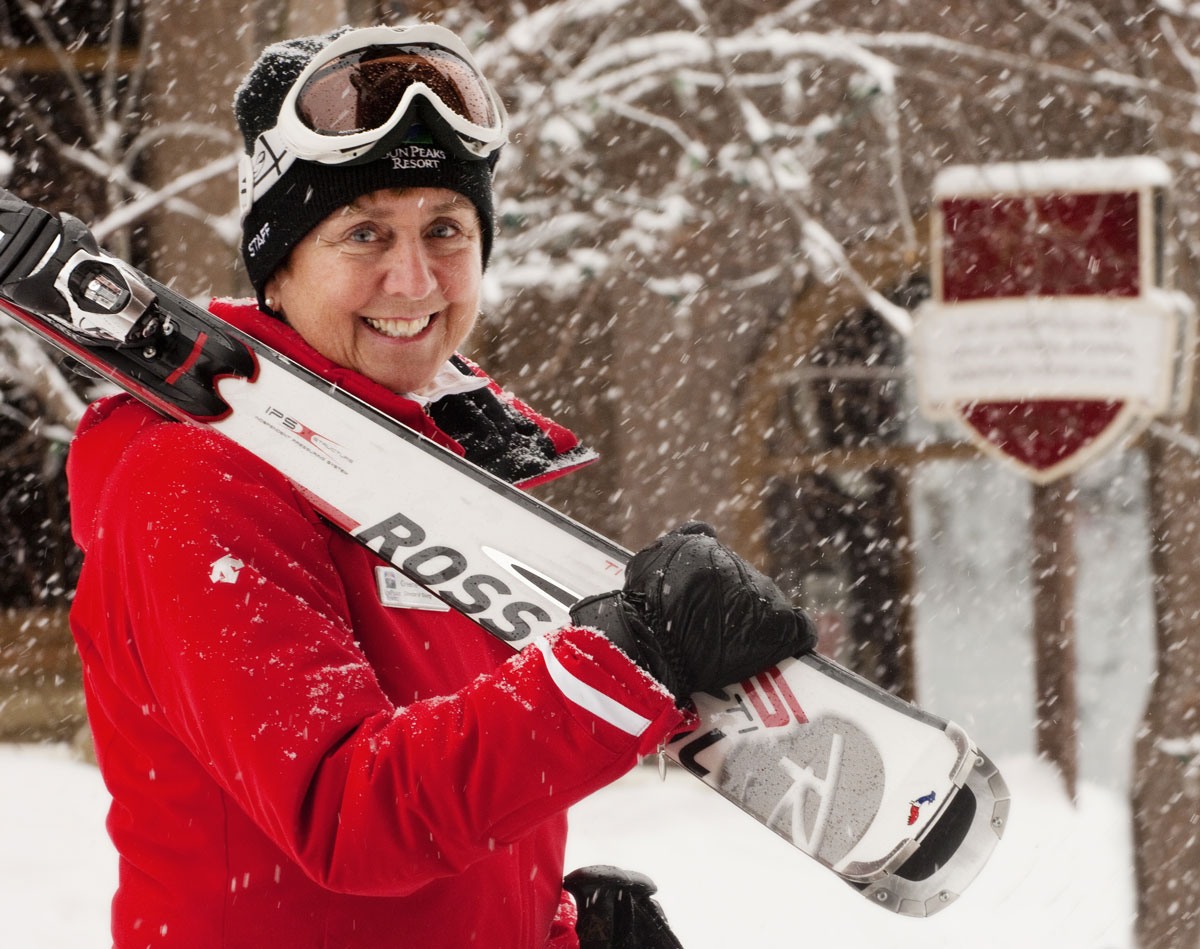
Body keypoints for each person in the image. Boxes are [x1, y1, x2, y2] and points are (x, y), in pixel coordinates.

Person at [64, 23, 817, 949]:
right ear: (279, 266)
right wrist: (627, 658)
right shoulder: (198, 481)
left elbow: (448, 804)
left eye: (446, 229)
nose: (414, 278)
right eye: (364, 232)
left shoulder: (432, 475)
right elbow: (350, 812)